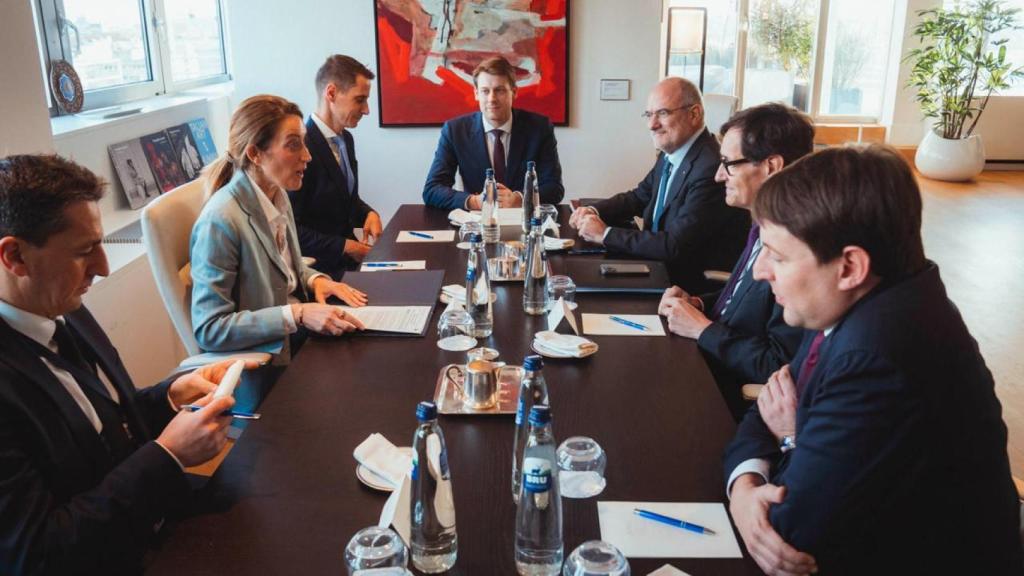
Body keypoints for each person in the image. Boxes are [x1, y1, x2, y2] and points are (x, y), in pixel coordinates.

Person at [723, 145, 1022, 575]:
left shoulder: (877, 355)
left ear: (849, 266)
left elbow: (789, 540)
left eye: (779, 255)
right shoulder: (857, 300)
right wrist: (746, 486)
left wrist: (790, 440)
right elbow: (769, 405)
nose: (760, 270)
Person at [0, 154, 254, 574]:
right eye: (85, 251)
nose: (101, 267)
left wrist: (169, 395)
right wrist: (168, 455)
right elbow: (38, 553)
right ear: (16, 257)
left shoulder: (63, 305)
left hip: (148, 521)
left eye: (100, 244)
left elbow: (99, 422)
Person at [658, 104, 811, 418]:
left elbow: (777, 364)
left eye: (728, 164)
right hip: (707, 357)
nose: (717, 175)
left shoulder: (798, 248)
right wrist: (697, 304)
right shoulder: (760, 224)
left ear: (771, 166)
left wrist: (702, 330)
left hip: (725, 393)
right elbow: (742, 298)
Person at [191, 95, 368, 362]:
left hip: (299, 340)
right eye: (293, 145)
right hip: (271, 361)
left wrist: (314, 279)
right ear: (255, 154)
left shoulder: (277, 194)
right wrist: (297, 314)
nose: (307, 156)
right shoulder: (221, 220)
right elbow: (210, 329)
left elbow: (278, 268)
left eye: (304, 143)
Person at [569, 77, 748, 293]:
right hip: (656, 268)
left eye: (662, 113)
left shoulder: (709, 168)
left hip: (685, 287)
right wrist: (592, 210)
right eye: (649, 114)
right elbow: (639, 196)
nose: (652, 124)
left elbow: (675, 246)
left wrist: (605, 234)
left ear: (694, 114)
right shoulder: (673, 152)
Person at [422, 56, 564, 211]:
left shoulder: (539, 128)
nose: (492, 99)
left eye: (499, 90)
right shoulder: (455, 131)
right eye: (485, 91)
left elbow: (554, 188)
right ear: (476, 94)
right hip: (478, 223)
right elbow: (432, 189)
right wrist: (474, 201)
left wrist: (519, 198)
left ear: (514, 92)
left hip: (525, 223)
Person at [290, 55, 383, 278]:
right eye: (359, 100)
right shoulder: (300, 147)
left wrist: (368, 213)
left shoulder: (346, 140)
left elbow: (344, 199)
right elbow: (291, 229)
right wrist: (348, 247)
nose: (367, 110)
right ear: (331, 93)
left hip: (349, 264)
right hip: (319, 272)